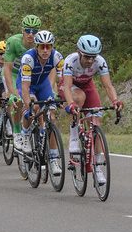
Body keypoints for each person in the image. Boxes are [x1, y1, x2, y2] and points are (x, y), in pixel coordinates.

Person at [60, 35, 123, 184]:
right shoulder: (70, 61)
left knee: (96, 120)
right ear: (79, 52)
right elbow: (67, 87)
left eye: (93, 57)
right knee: (79, 98)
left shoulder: (100, 62)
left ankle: (98, 166)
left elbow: (108, 85)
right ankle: (74, 136)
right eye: (87, 57)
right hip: (70, 87)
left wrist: (115, 100)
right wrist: (71, 104)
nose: (90, 61)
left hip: (88, 85)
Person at [18, 30, 64, 175]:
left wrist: (62, 97)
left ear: (52, 47)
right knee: (34, 107)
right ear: (36, 47)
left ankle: (54, 158)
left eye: (48, 46)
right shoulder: (28, 58)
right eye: (42, 46)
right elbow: (25, 87)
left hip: (43, 85)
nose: (45, 50)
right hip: (27, 85)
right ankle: (25, 135)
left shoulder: (57, 57)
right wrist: (28, 106)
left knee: (52, 116)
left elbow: (63, 81)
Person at [4, 14, 42, 150]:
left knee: (39, 104)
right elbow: (7, 69)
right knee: (17, 101)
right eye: (28, 30)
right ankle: (16, 131)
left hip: (31, 77)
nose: (31, 34)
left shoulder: (42, 45)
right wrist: (11, 91)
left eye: (34, 31)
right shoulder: (14, 42)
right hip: (15, 75)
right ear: (22, 30)